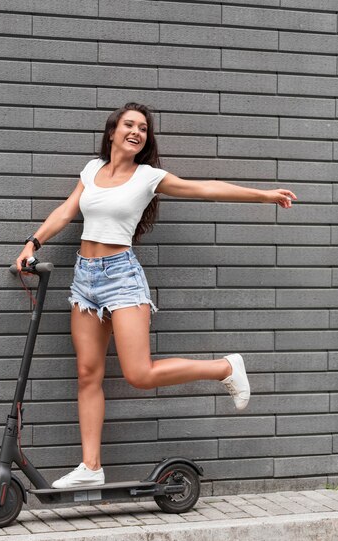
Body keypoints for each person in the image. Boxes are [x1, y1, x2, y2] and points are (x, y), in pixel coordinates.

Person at [16, 102, 296, 489]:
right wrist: (33, 243)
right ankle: (91, 468)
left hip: (122, 278)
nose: (136, 131)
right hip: (85, 279)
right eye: (129, 125)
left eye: (143, 128)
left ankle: (225, 368)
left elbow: (204, 189)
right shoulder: (92, 170)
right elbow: (66, 211)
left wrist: (262, 196)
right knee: (87, 374)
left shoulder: (148, 176)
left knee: (139, 374)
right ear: (112, 131)